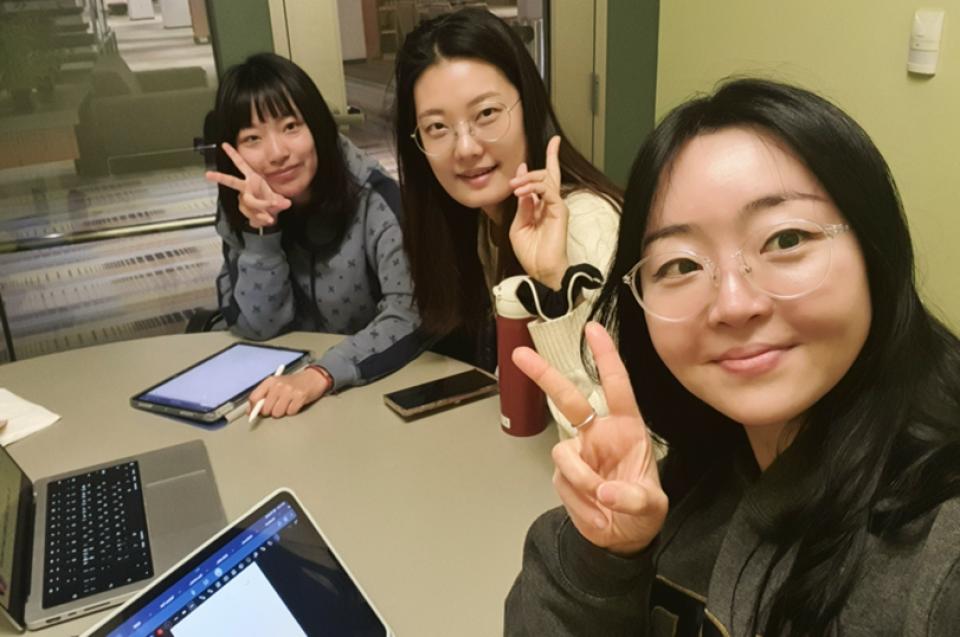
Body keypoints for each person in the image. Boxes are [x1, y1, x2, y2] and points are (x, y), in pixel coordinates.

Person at [504, 78, 960, 635]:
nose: (734, 305)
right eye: (681, 265)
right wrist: (607, 559)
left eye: (786, 239)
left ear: (875, 247)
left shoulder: (939, 555)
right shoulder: (695, 481)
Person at [394, 8, 623, 436]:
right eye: (437, 127)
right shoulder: (488, 221)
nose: (464, 147)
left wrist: (555, 280)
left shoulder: (588, 223)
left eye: (486, 114)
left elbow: (616, 441)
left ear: (528, 106)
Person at [206, 53, 423, 418]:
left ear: (318, 127)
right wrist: (262, 234)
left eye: (291, 126)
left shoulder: (377, 200)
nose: (278, 154)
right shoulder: (241, 206)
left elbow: (409, 316)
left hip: (370, 386)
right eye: (253, 138)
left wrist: (320, 374)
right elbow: (257, 328)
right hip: (282, 395)